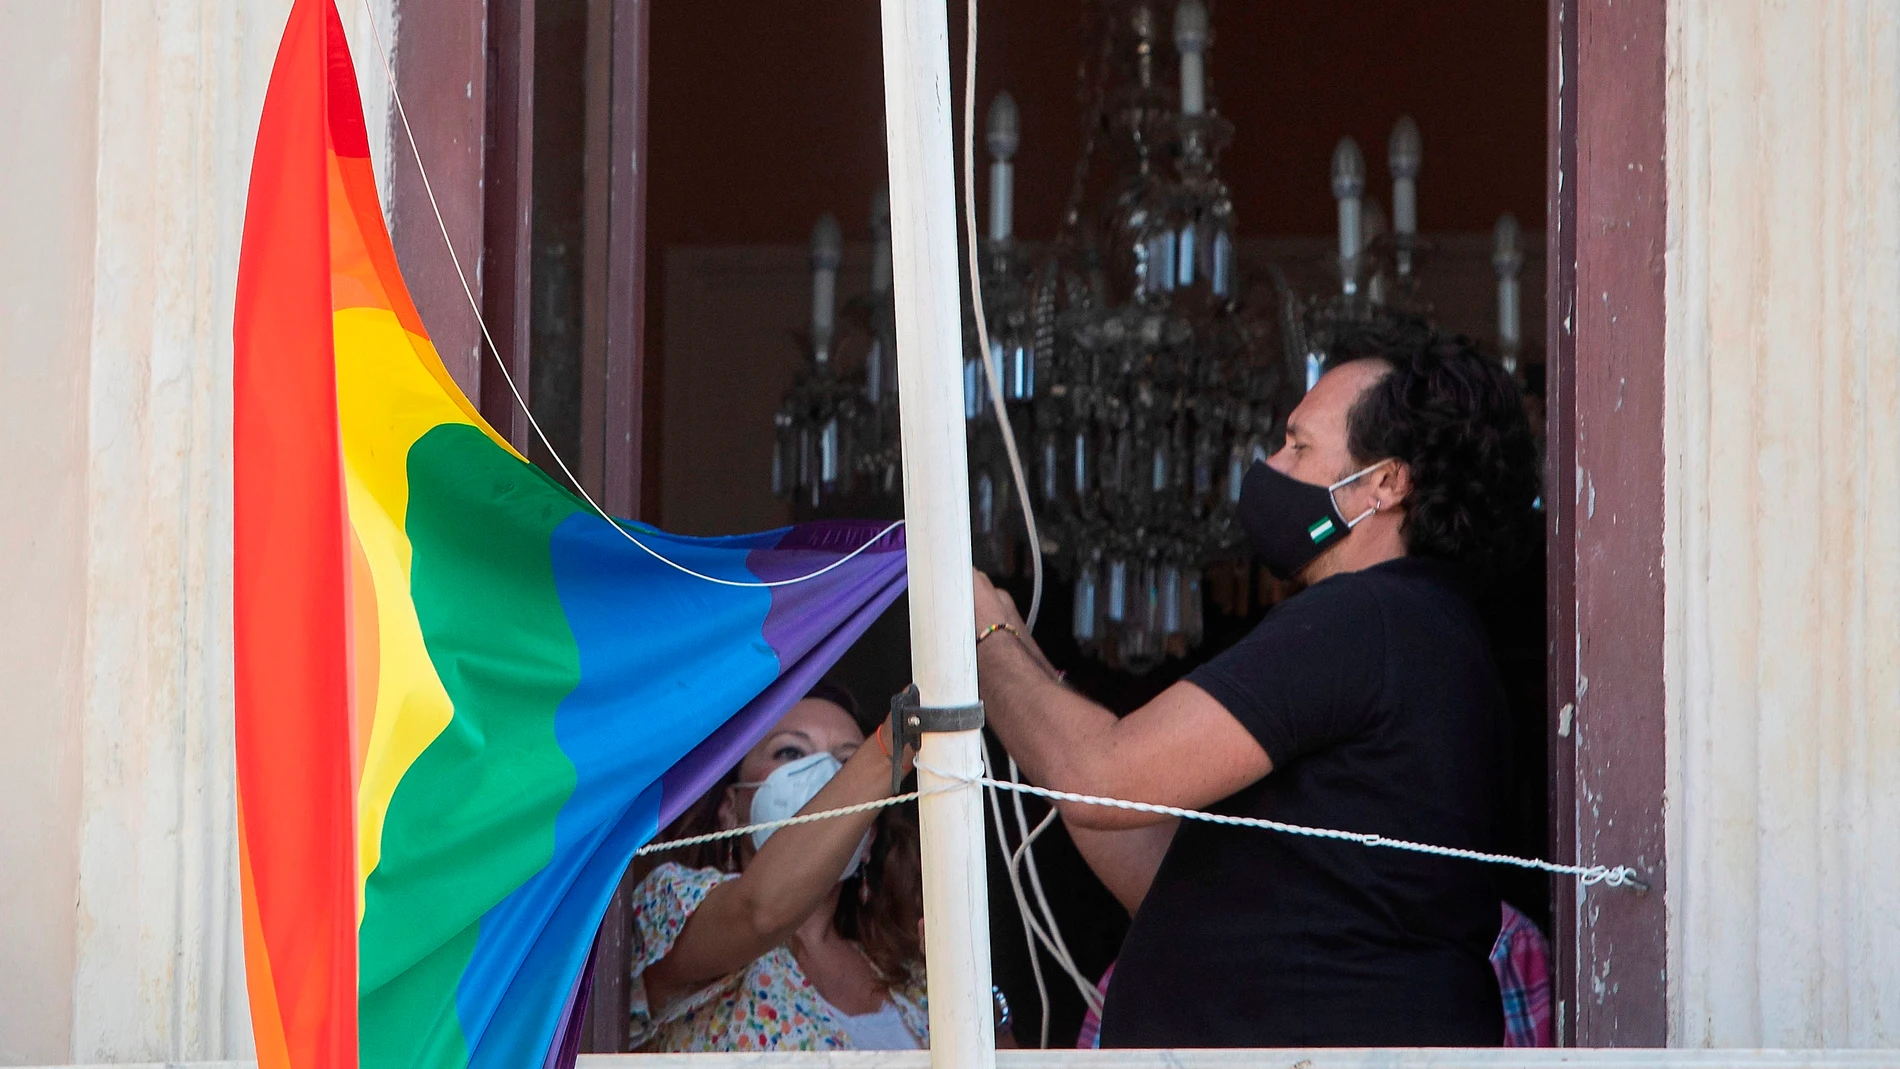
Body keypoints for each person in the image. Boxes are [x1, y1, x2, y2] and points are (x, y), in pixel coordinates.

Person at [972, 337, 1541, 1047]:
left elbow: (1098, 777)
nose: (1269, 468)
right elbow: (1160, 867)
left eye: (1297, 446)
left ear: (1385, 483)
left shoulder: (1365, 617)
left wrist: (983, 634)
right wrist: (1022, 672)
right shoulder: (1422, 630)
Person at [625, 681, 934, 1051]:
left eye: (848, 762)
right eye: (790, 752)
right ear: (730, 808)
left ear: (867, 839)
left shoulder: (907, 972)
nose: (826, 776)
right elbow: (759, 912)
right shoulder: (672, 903)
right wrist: (888, 749)